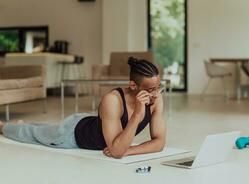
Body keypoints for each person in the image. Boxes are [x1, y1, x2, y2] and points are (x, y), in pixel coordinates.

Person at [0, 57, 166, 159]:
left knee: (44, 128)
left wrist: (129, 151)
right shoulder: (113, 100)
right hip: (71, 134)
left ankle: (22, 124)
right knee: (32, 135)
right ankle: (4, 126)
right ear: (133, 85)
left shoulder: (155, 99)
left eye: (157, 87)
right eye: (150, 89)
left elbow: (159, 143)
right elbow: (116, 152)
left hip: (91, 124)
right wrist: (137, 115)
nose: (155, 93)